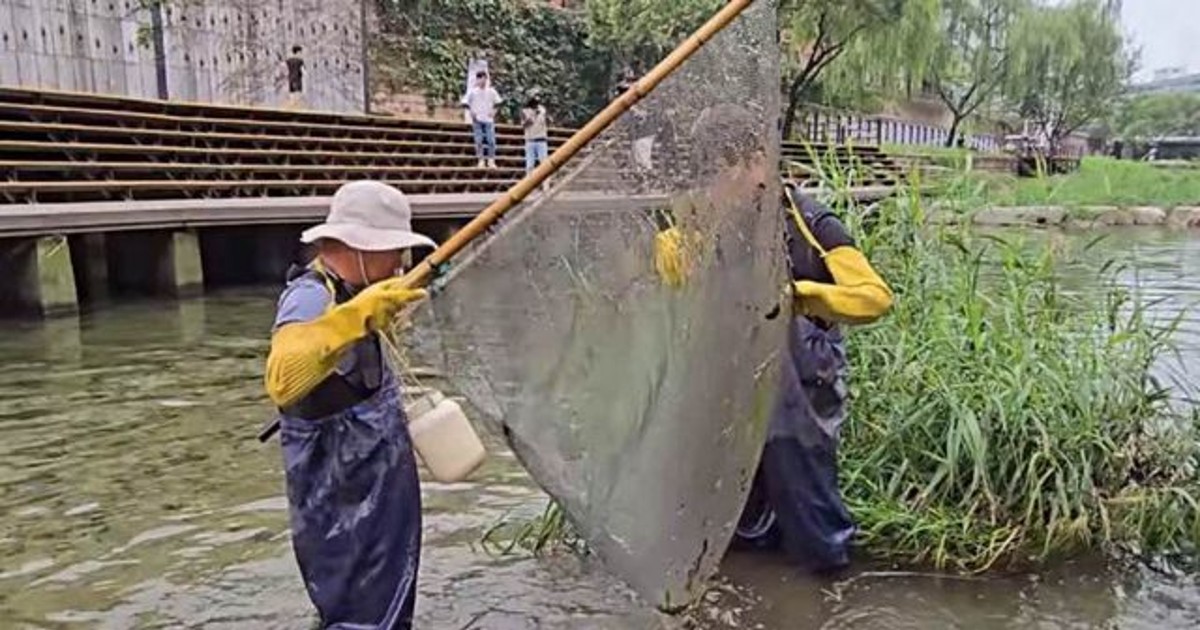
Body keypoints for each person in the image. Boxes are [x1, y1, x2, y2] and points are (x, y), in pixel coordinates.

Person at [263, 180, 436, 629]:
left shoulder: (355, 291)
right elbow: (282, 376)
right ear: (359, 245)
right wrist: (353, 318)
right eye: (394, 250)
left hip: (378, 493)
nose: (400, 263)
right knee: (358, 614)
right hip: (343, 505)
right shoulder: (311, 296)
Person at [733, 183, 893, 573]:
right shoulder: (710, 220)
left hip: (802, 375)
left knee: (804, 491)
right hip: (735, 373)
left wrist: (800, 295)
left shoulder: (812, 222)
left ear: (758, 162)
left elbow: (874, 298)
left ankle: (826, 581)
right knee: (740, 504)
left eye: (727, 169)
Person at [462, 71, 503, 169]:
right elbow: (464, 102)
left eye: (484, 79)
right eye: (481, 79)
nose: (483, 81)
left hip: (488, 119)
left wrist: (494, 111)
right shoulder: (473, 92)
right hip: (477, 119)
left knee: (491, 140)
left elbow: (499, 103)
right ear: (477, 79)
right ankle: (481, 160)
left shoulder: (491, 91)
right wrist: (471, 111)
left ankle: (491, 160)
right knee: (479, 140)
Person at [521, 93, 549, 174]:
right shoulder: (524, 111)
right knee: (530, 165)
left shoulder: (543, 109)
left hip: (541, 139)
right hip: (530, 140)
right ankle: (529, 183)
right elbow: (524, 125)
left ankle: (546, 186)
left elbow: (545, 121)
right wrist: (533, 115)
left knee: (544, 164)